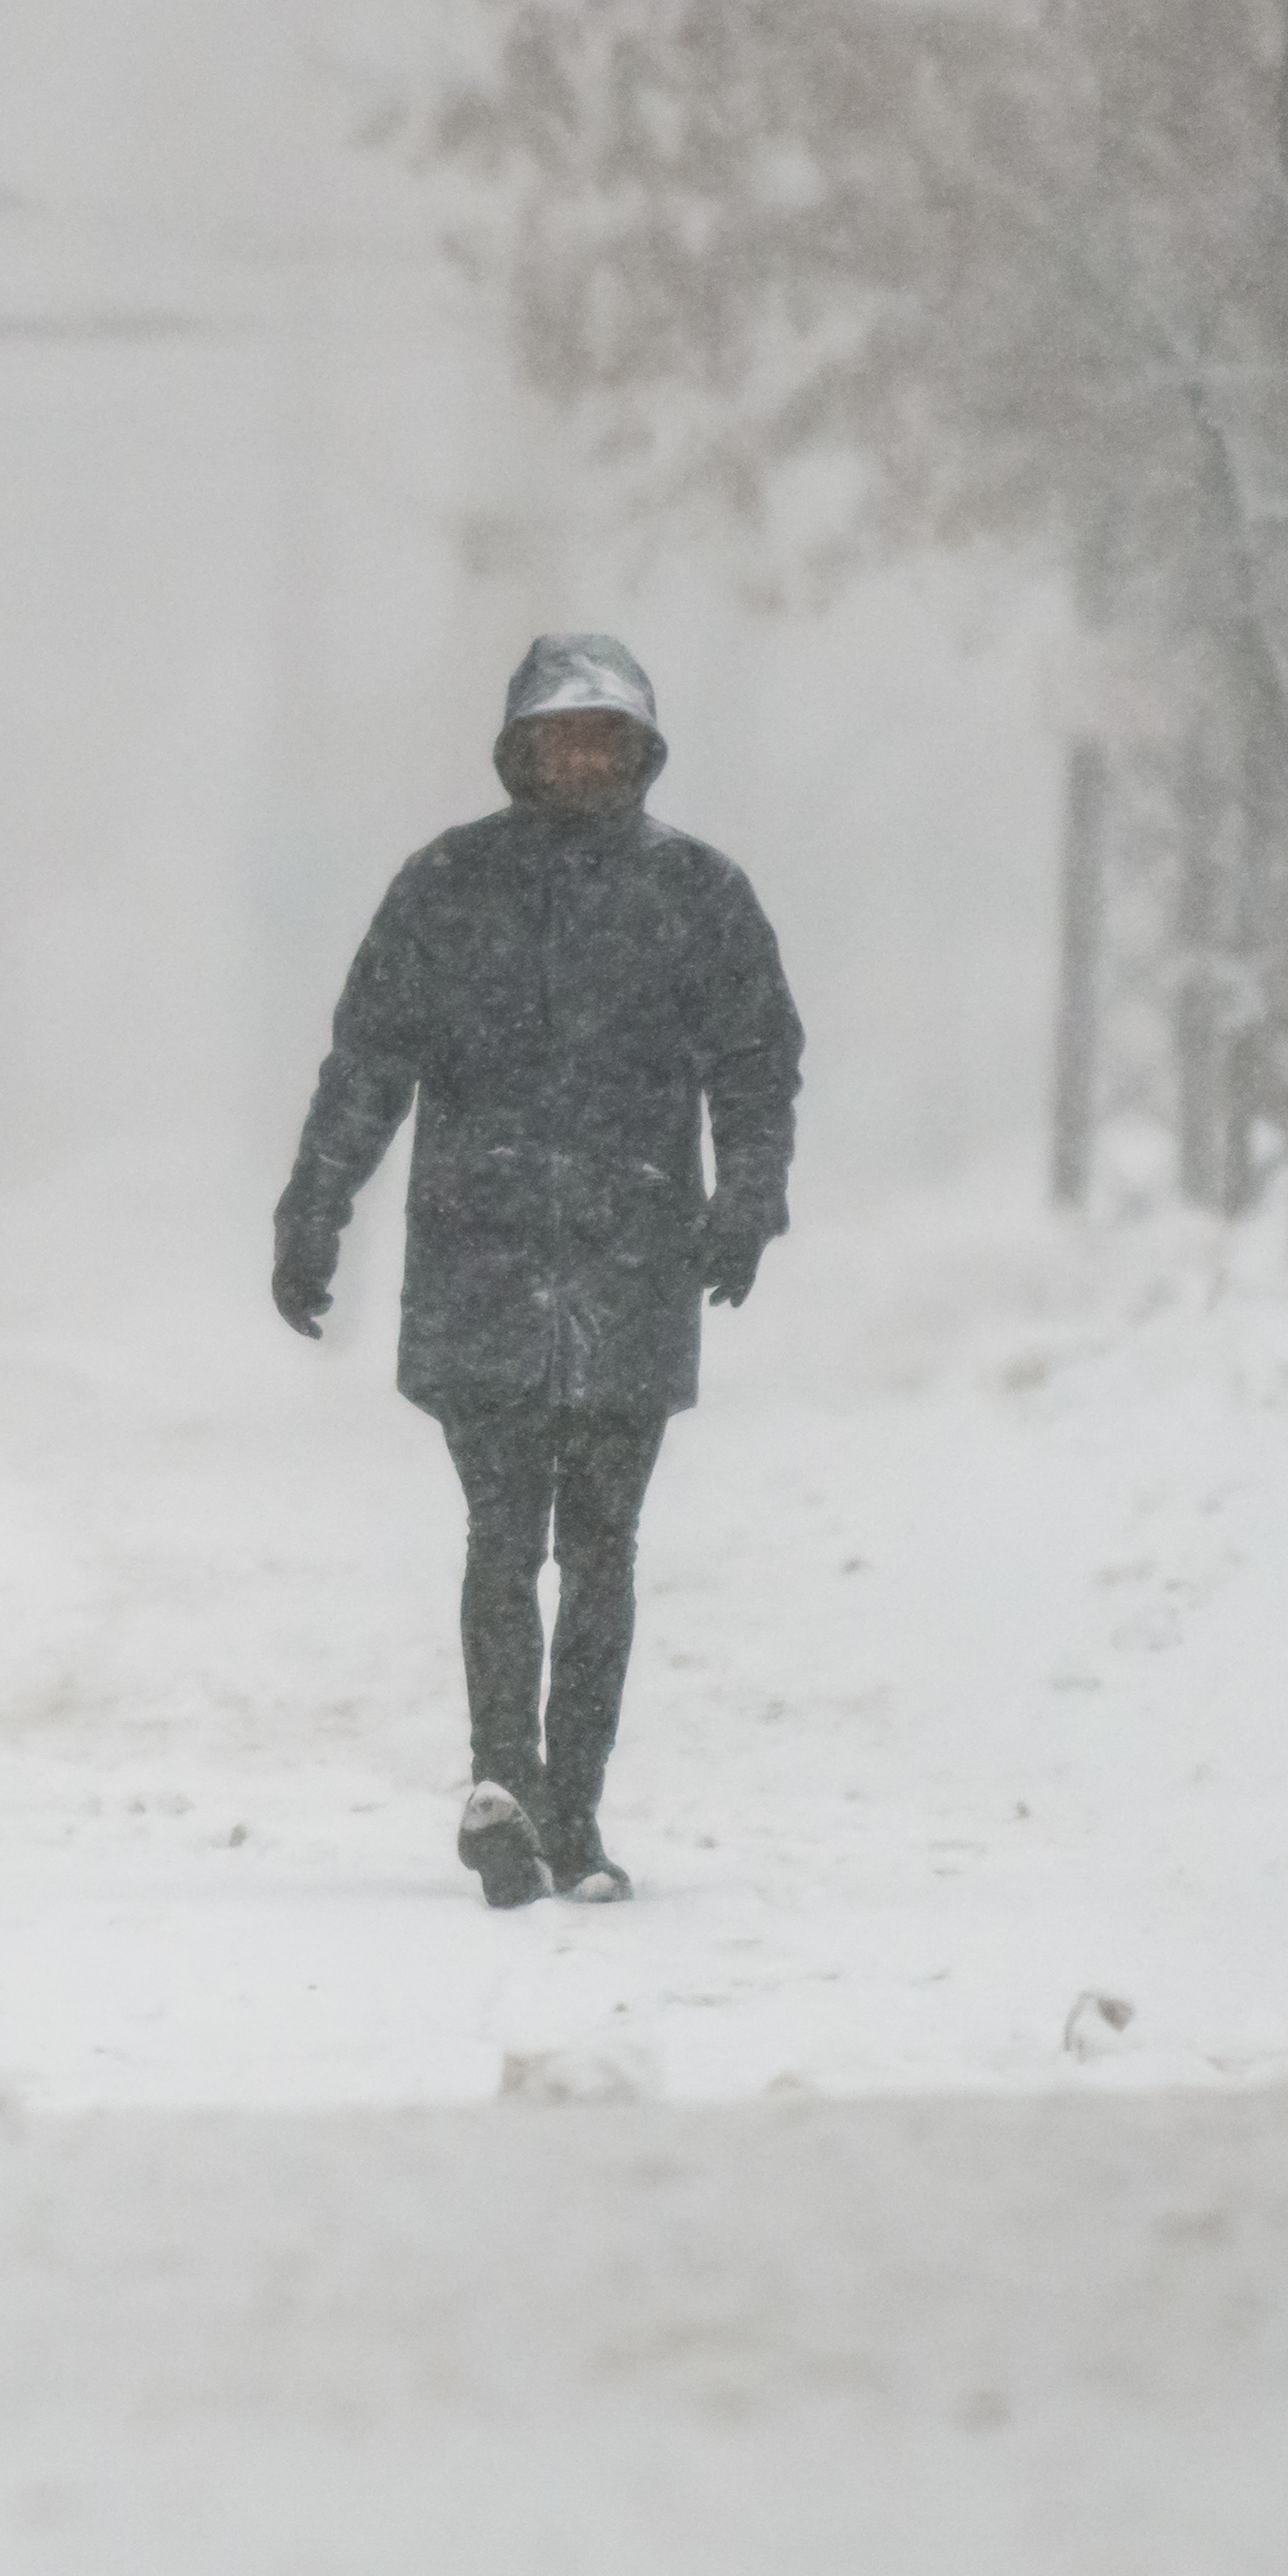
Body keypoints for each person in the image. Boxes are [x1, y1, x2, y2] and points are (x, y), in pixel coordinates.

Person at [270, 632, 803, 1909]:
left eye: (604, 738)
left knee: (604, 1543)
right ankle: (502, 1782)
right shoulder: (444, 890)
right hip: (483, 1260)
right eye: (561, 736)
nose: (581, 759)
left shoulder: (699, 898)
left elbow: (752, 1060)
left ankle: (578, 1805)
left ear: (638, 752)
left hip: (632, 1259)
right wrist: (314, 1205)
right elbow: (368, 1064)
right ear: (518, 751)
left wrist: (749, 1196)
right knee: (504, 1534)